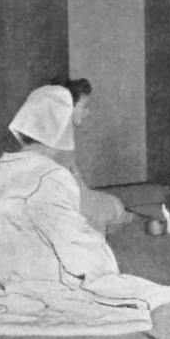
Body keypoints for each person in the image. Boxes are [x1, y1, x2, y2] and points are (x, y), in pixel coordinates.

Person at [0, 86, 170, 336]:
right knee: (104, 270)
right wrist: (99, 254)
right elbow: (69, 236)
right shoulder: (51, 174)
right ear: (60, 128)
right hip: (35, 270)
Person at [50, 77, 133, 234]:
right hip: (59, 206)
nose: (88, 113)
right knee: (114, 209)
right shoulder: (54, 143)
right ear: (67, 107)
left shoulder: (62, 136)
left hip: (69, 199)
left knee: (114, 204)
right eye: (84, 107)